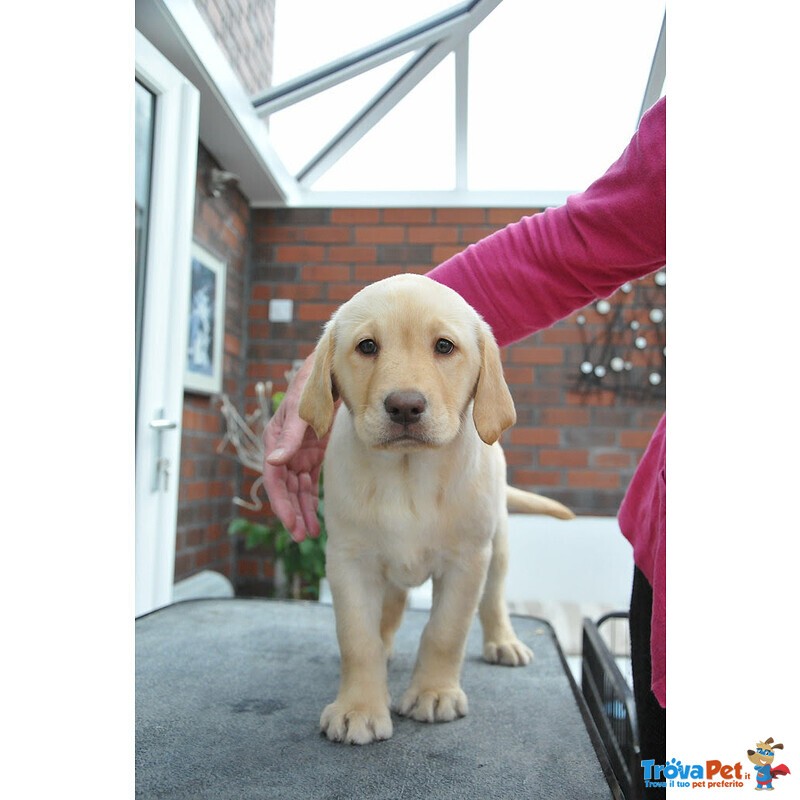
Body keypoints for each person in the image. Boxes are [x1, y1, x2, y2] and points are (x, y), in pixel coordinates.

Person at [264, 96, 666, 797]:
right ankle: (367, 677)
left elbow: (472, 553)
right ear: (333, 371)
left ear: (485, 373)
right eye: (366, 350)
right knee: (363, 559)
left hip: (472, 505)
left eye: (445, 349)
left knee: (482, 553)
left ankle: (473, 637)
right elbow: (576, 241)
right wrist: (316, 384)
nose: (404, 391)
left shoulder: (477, 414)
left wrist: (442, 667)